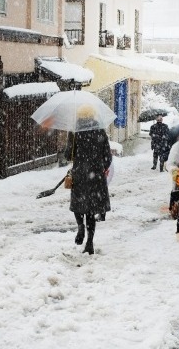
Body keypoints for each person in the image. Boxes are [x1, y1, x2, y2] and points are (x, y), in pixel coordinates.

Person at [65, 105, 112, 255]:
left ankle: (80, 226)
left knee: (78, 204)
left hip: (79, 174)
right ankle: (90, 242)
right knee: (91, 209)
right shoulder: (100, 131)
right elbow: (107, 157)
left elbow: (68, 156)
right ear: (93, 116)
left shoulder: (74, 132)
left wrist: (74, 152)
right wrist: (100, 166)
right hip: (96, 175)